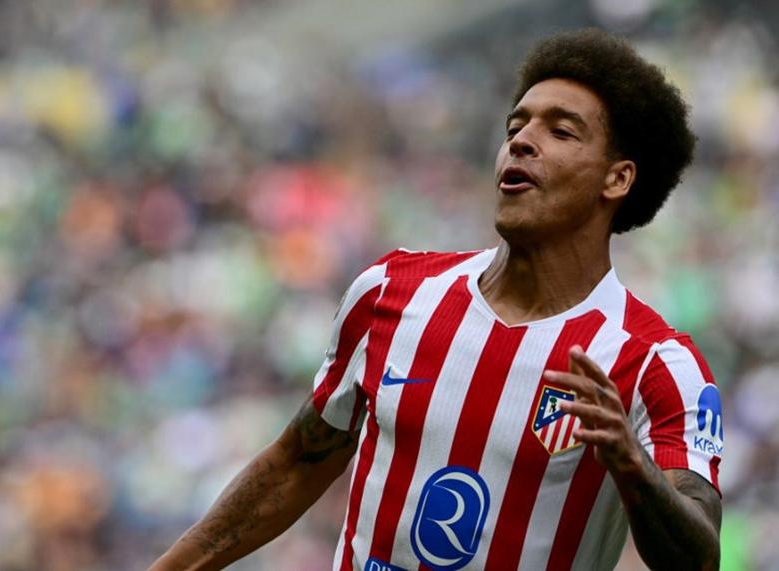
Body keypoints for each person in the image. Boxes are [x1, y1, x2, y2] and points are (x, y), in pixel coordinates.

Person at [150, 28, 722, 571]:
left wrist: (634, 469)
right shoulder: (391, 294)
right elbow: (301, 458)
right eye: (515, 126)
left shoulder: (655, 365)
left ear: (616, 180)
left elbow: (698, 558)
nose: (521, 141)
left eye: (561, 131)